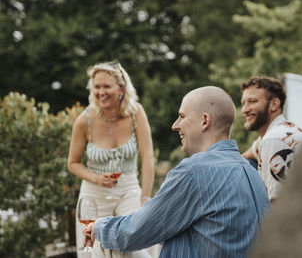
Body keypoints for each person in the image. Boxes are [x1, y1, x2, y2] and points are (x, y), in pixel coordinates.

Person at [83, 86, 269, 257]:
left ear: (205, 121)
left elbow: (136, 232)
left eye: (182, 116)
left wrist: (98, 226)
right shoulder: (252, 173)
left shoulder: (194, 172)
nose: (175, 125)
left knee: (105, 241)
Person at [67, 61, 155, 258]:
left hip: (129, 189)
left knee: (135, 247)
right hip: (93, 195)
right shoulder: (84, 120)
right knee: (91, 252)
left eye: (106, 86)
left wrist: (145, 198)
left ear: (121, 89)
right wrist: (96, 178)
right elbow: (72, 163)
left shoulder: (136, 113)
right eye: (96, 87)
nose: (101, 92)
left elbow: (148, 156)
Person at [241, 76, 302, 203]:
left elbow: (277, 205)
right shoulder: (282, 130)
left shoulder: (274, 139)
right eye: (243, 103)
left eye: (253, 101)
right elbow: (251, 152)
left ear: (274, 104)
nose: (245, 109)